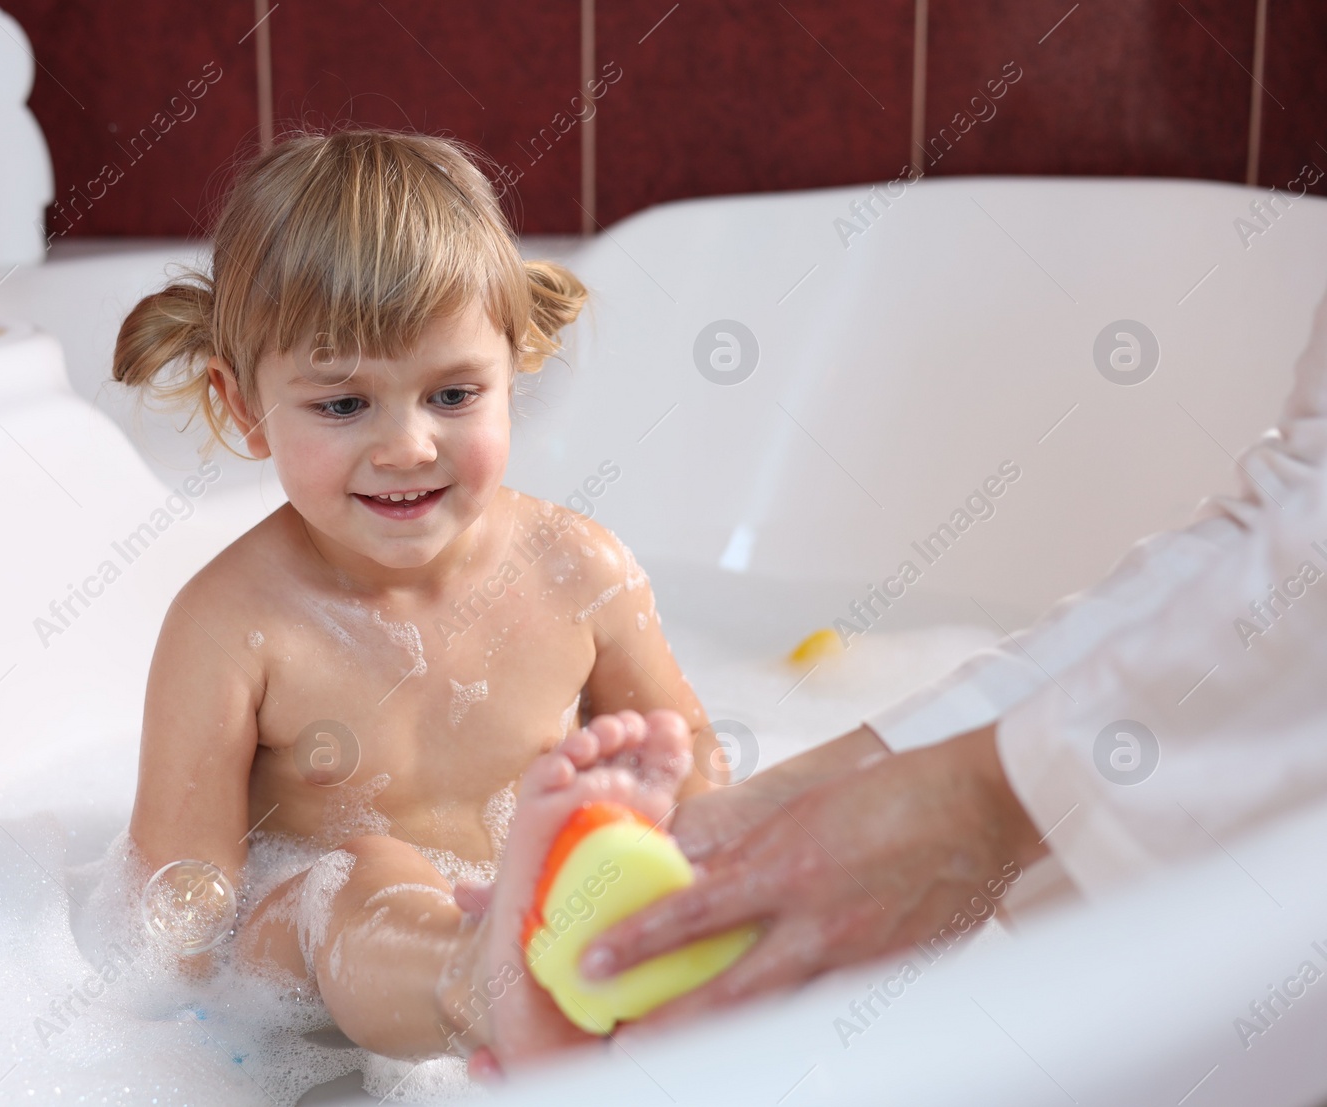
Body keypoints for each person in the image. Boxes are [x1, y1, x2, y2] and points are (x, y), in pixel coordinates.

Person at [553, 272, 1327, 1039]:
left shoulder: (579, 569)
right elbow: (1288, 509)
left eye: (458, 395)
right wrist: (859, 774)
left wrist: (983, 800)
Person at [109, 127, 724, 1069]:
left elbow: (696, 758)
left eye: (452, 394)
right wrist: (192, 1007)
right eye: (344, 405)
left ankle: (545, 967)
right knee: (372, 870)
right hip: (312, 953)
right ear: (243, 406)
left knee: (602, 821)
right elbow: (177, 903)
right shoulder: (233, 626)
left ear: (512, 369)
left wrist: (650, 793)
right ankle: (484, 980)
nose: (407, 446)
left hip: (532, 907)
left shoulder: (578, 569)